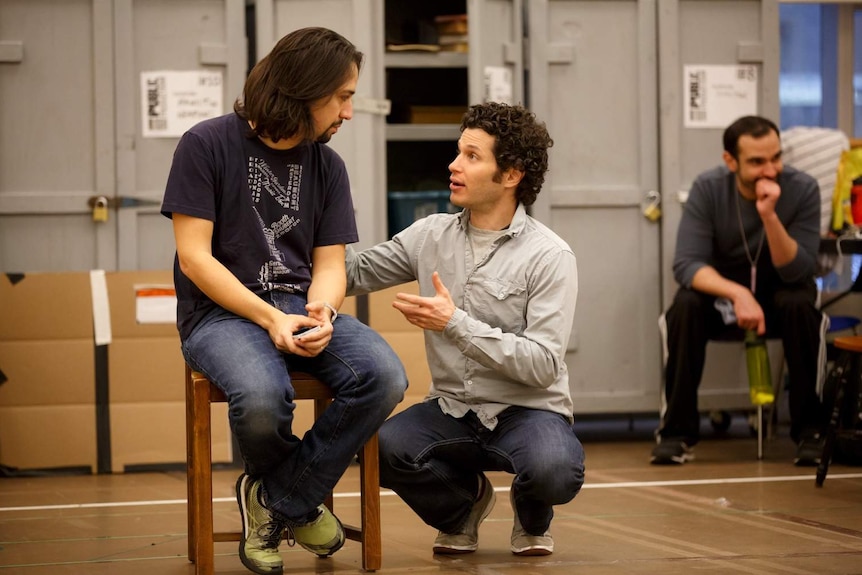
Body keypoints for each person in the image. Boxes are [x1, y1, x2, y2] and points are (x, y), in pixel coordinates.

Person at [160, 27, 407, 575]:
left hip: (297, 303)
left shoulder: (328, 167)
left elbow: (329, 265)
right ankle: (296, 499)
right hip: (219, 315)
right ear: (305, 89)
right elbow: (195, 258)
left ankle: (276, 500)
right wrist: (270, 317)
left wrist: (323, 309)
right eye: (342, 97)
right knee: (263, 395)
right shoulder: (206, 144)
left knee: (384, 376)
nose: (348, 111)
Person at [346, 102, 586, 557]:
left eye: (472, 156)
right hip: (453, 409)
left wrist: (453, 324)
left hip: (528, 409)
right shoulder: (429, 236)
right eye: (459, 153)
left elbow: (542, 365)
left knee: (554, 470)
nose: (454, 165)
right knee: (380, 448)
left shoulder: (550, 256)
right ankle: (463, 508)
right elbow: (354, 272)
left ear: (511, 174)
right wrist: (305, 232)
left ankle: (532, 508)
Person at [652, 115, 827, 467]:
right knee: (684, 306)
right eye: (757, 161)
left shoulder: (803, 188)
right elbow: (686, 264)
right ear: (730, 161)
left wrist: (769, 216)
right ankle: (676, 434)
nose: (770, 169)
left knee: (800, 305)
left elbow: (800, 270)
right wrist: (738, 294)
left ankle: (811, 433)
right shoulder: (709, 188)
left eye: (775, 158)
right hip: (725, 300)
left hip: (781, 294)